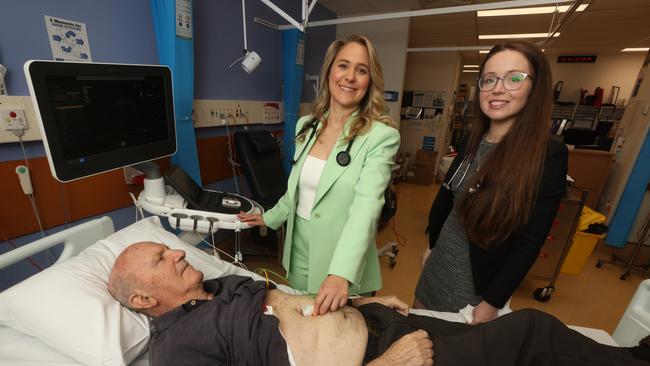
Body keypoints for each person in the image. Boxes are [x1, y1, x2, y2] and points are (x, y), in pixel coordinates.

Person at [108, 242, 650, 366]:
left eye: (166, 247)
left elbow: (297, 302)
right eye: (159, 259)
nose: (175, 251)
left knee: (528, 350)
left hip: (383, 323)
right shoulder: (178, 348)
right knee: (529, 329)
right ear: (141, 298)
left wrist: (368, 299)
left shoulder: (222, 285)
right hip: (382, 360)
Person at [238, 34, 400, 315]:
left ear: (369, 81)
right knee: (302, 324)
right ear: (328, 72)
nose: (350, 77)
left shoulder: (380, 137)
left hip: (341, 255)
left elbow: (367, 208)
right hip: (298, 249)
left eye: (361, 71)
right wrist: (269, 217)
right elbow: (297, 189)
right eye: (343, 66)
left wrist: (341, 273)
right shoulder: (307, 126)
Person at [414, 40, 568, 324]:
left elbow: (530, 241)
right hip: (436, 271)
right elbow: (449, 199)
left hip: (473, 294)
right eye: (489, 79)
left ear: (535, 88)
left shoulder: (547, 155)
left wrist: (492, 301)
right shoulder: (472, 140)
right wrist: (432, 246)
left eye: (513, 79)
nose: (498, 88)